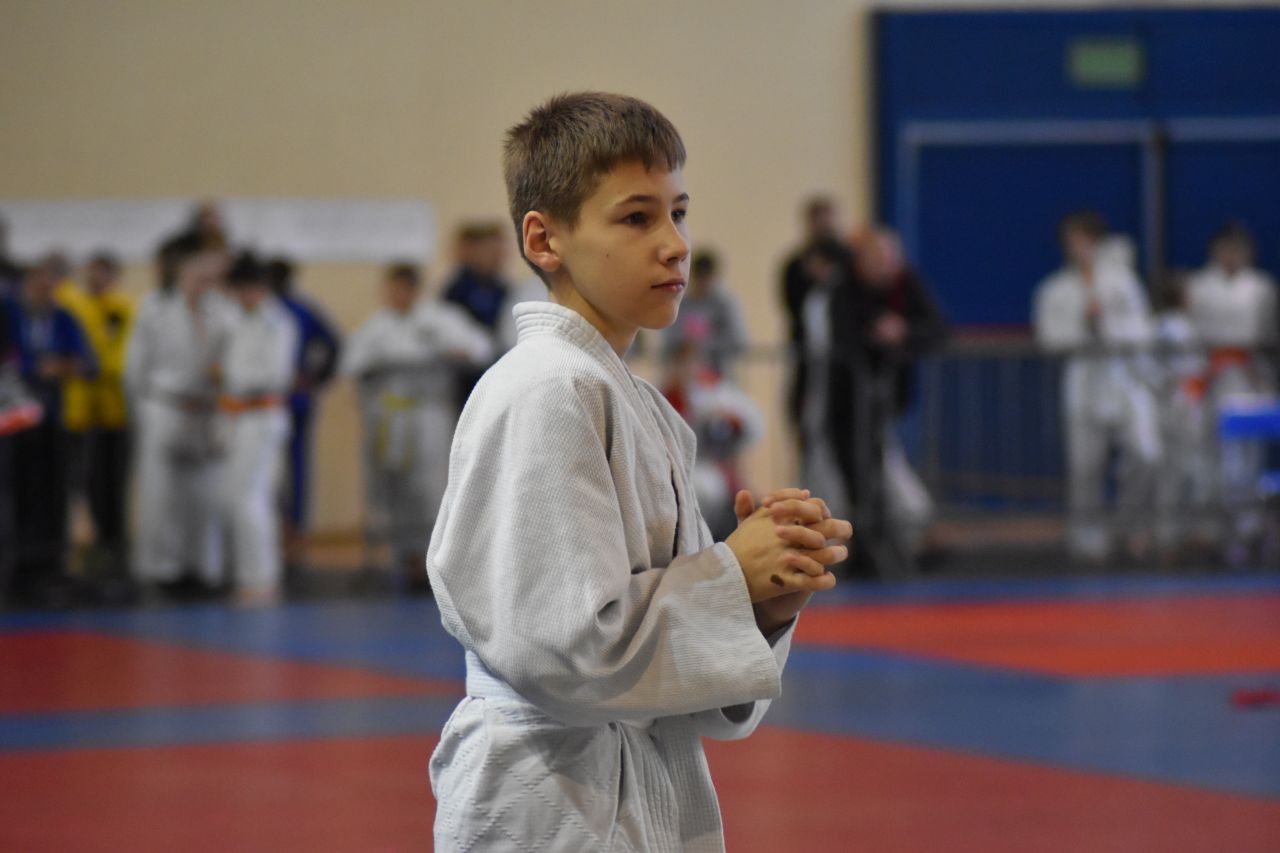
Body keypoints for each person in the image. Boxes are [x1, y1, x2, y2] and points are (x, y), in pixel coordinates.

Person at [427, 91, 851, 851]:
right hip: (547, 793)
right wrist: (730, 573)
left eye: (678, 213)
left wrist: (762, 602)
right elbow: (564, 650)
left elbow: (678, 679)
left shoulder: (638, 404)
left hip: (631, 776)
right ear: (544, 239)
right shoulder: (546, 389)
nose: (675, 244)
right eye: (636, 218)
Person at [342, 263, 491, 593]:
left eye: (404, 288)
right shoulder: (377, 326)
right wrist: (379, 362)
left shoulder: (440, 320)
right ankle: (398, 562)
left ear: (415, 288)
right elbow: (348, 364)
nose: (397, 295)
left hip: (428, 415)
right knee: (388, 489)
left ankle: (434, 565)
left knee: (428, 488)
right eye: (392, 289)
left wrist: (453, 351)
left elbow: (480, 348)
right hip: (388, 417)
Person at [1033, 212, 1161, 563]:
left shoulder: (1123, 283)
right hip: (1083, 382)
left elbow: (1142, 329)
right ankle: (1088, 538)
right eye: (1073, 241)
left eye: (1086, 239)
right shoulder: (1054, 289)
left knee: (1146, 453)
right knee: (1085, 466)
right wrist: (1084, 326)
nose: (1081, 248)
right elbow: (1050, 339)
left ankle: (1131, 526)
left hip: (1124, 378)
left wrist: (1109, 326)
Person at [125, 234, 233, 597]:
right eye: (197, 272)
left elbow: (232, 359)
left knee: (206, 493)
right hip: (165, 406)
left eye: (209, 274)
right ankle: (160, 569)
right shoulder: (154, 307)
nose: (204, 280)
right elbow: (135, 369)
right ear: (182, 271)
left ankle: (203, 566)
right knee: (160, 494)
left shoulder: (223, 310)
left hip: (207, 410)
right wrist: (142, 413)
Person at [1186, 222, 1279, 563]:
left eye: (1239, 248)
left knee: (1251, 458)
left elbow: (1267, 335)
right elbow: (1194, 335)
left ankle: (1250, 529)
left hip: (1251, 379)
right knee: (1219, 460)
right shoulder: (1200, 286)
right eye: (1226, 247)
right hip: (1214, 378)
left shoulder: (1261, 287)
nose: (1232, 254)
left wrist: (1262, 375)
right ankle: (1220, 532)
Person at [5, 257, 95, 604]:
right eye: (39, 283)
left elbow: (87, 364)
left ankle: (48, 566)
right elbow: (12, 361)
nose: (45, 291)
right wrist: (36, 368)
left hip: (52, 417)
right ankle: (14, 567)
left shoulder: (63, 317)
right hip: (13, 421)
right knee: (16, 494)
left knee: (54, 492)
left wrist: (58, 366)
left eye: (50, 285)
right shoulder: (9, 314)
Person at [218, 253, 298, 606]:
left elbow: (274, 376)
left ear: (259, 287)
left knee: (250, 498)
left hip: (261, 416)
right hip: (237, 416)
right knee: (237, 497)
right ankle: (247, 574)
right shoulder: (239, 320)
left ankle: (260, 578)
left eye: (244, 289)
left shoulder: (276, 323)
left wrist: (228, 376)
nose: (239, 296)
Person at [57, 252, 135, 575]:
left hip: (115, 411)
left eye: (105, 273)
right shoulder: (70, 304)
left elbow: (124, 355)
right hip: (78, 412)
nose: (97, 279)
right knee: (78, 481)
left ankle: (113, 545)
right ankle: (78, 546)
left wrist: (98, 367)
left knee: (113, 482)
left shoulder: (124, 307)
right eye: (93, 272)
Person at [265, 257, 342, 563]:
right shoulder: (298, 309)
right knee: (289, 469)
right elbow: (333, 344)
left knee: (286, 469)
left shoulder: (286, 311)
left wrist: (313, 378)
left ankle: (290, 530)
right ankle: (289, 529)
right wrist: (315, 378)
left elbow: (333, 345)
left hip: (289, 401)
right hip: (288, 400)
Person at [779, 195, 848, 435]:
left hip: (843, 360)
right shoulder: (795, 266)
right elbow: (792, 308)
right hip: (807, 355)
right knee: (805, 415)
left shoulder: (850, 262)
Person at [442, 222, 510, 406]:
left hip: (499, 374)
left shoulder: (504, 288)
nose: (499, 255)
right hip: (466, 381)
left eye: (500, 250)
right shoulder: (456, 290)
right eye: (491, 250)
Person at [660, 248, 749, 377]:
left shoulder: (725, 304)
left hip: (718, 374)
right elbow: (667, 341)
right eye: (699, 278)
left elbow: (739, 342)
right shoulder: (681, 302)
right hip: (682, 375)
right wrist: (682, 346)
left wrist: (702, 346)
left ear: (713, 277)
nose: (702, 283)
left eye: (706, 278)